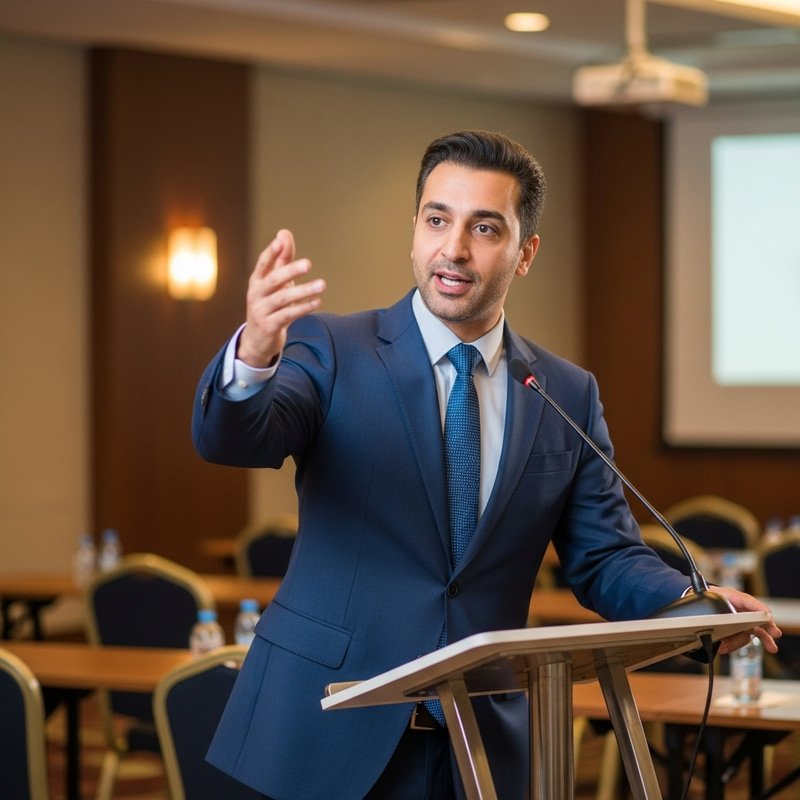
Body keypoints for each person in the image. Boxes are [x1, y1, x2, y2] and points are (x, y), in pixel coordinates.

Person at [192, 130, 780, 800]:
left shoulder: (565, 392)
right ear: (414, 232)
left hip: (478, 745)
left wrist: (691, 606)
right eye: (437, 219)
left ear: (525, 252)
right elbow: (236, 442)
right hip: (323, 729)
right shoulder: (332, 348)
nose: (454, 248)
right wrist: (255, 358)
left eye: (485, 228)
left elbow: (605, 557)